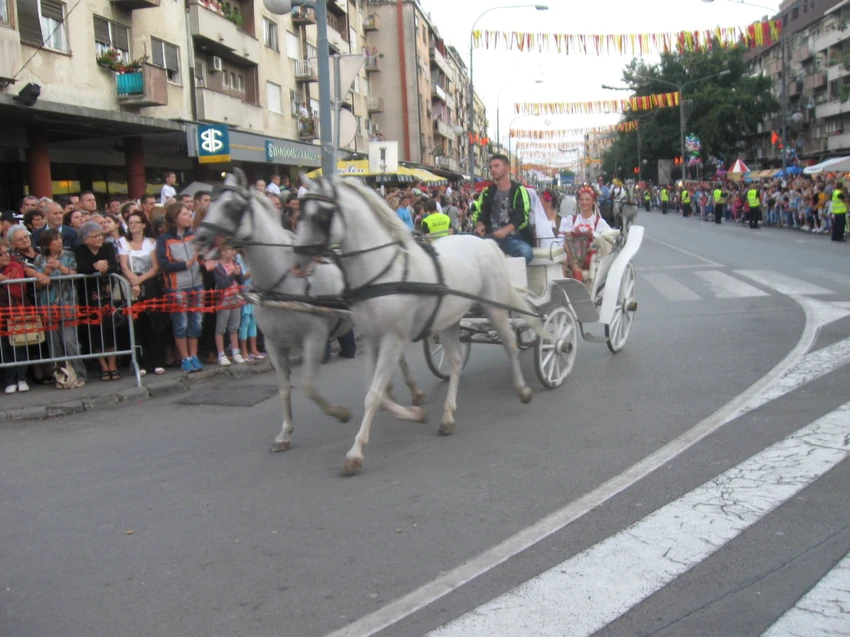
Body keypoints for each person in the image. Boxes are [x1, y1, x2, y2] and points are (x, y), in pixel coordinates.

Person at [34, 229, 86, 388]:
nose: (59, 241)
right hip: (48, 306)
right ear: (47, 243)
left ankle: (80, 374)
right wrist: (45, 273)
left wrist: (62, 268)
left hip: (67, 304)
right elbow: (35, 284)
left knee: (70, 341)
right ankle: (62, 376)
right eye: (55, 239)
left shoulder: (69, 256)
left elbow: (77, 275)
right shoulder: (39, 259)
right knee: (54, 344)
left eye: (60, 238)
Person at [156, 202, 205, 373]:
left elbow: (202, 257)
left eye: (189, 213)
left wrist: (205, 262)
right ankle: (184, 358)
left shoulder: (194, 236)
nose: (189, 216)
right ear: (175, 218)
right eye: (184, 214)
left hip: (197, 284)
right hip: (176, 287)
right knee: (181, 324)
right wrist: (186, 264)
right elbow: (164, 265)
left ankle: (194, 356)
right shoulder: (164, 239)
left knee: (196, 323)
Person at [118, 212, 167, 375]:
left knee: (154, 324)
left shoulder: (150, 242)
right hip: (132, 286)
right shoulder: (123, 242)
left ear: (143, 224)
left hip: (150, 286)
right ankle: (141, 363)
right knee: (137, 325)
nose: (132, 225)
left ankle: (157, 361)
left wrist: (140, 280)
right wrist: (134, 281)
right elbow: (124, 266)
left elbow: (155, 267)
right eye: (130, 222)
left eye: (136, 222)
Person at [73, 221, 121, 381]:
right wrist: (95, 266)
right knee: (95, 332)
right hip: (88, 297)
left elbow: (114, 266)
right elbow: (81, 268)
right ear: (86, 240)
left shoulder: (108, 248)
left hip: (107, 296)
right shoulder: (79, 250)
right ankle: (103, 365)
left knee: (110, 330)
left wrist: (106, 268)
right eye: (96, 236)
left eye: (101, 235)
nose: (100, 238)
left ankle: (113, 364)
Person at [472, 154, 533, 264]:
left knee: (526, 252)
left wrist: (505, 231)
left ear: (507, 168)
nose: (492, 169)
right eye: (491, 167)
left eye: (496, 166)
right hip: (490, 238)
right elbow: (480, 214)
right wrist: (480, 225)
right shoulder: (487, 192)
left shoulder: (519, 190)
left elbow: (522, 217)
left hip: (513, 239)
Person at [560, 185, 612, 281]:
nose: (584, 202)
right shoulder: (572, 219)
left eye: (587, 200)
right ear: (578, 201)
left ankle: (578, 284)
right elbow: (566, 240)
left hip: (589, 254)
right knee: (563, 258)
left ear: (593, 202)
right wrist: (571, 253)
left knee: (576, 259)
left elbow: (603, 241)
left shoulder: (598, 222)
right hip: (572, 253)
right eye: (582, 199)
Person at [0, 240, 31, 393]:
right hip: (1, 314)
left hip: (15, 312)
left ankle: (22, 378)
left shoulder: (15, 267)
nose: (6, 256)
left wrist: (5, 280)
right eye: (2, 254)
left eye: (7, 252)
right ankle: (10, 380)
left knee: (19, 345)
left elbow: (19, 291)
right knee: (5, 348)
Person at [209, 241, 246, 366]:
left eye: (234, 250)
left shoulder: (235, 263)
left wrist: (238, 273)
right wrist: (232, 275)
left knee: (234, 327)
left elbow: (241, 281)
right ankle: (221, 354)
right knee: (221, 327)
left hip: (236, 297)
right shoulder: (217, 266)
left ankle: (236, 352)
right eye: (231, 250)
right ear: (223, 252)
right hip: (224, 299)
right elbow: (222, 284)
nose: (234, 252)